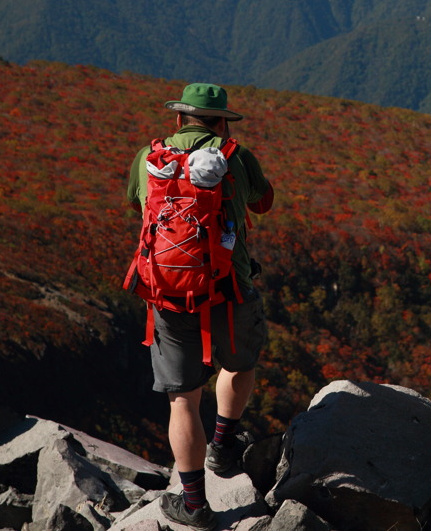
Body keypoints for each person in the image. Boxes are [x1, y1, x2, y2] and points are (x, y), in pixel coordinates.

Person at [127, 83, 274, 529]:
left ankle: (194, 505)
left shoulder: (148, 158)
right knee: (240, 362)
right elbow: (263, 203)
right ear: (221, 121)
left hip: (168, 294)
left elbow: (137, 204)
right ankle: (224, 446)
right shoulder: (236, 155)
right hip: (229, 288)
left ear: (179, 120)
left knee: (182, 401)